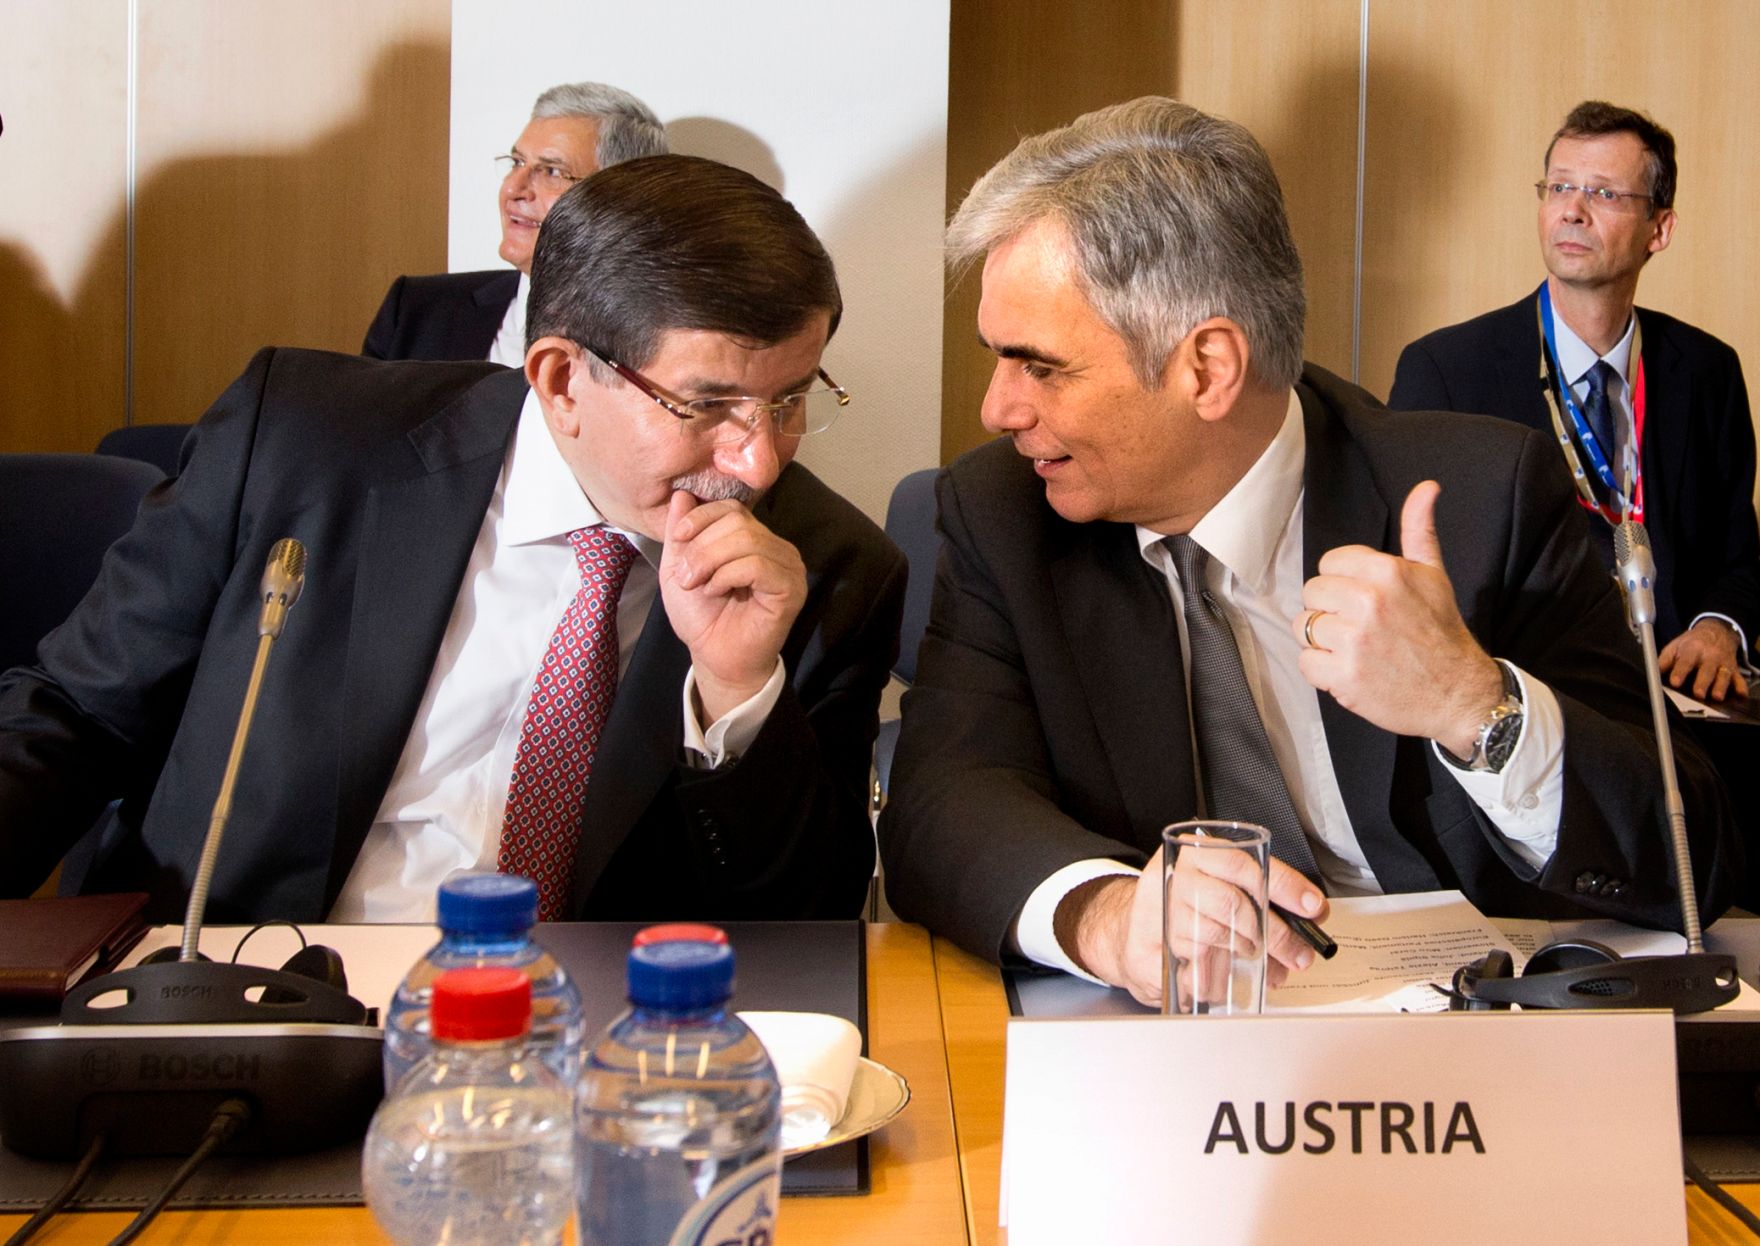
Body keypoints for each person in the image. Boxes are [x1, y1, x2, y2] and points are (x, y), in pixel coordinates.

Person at [876, 97, 1740, 1006]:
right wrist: (1106, 915)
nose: (998, 409)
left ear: (1206, 367)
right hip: (1163, 1057)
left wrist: (1475, 706)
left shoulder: (1482, 504)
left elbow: (1698, 859)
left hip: (1464, 1077)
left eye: (1039, 365)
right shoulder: (1006, 511)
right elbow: (942, 801)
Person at [0, 154, 905, 927]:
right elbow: (77, 715)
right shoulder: (303, 445)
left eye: (790, 400)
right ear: (558, 380)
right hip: (238, 988)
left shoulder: (827, 567)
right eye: (706, 406)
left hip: (581, 1045)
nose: (754, 462)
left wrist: (735, 692)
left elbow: (806, 922)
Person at [1390, 101, 1759, 703]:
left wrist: (1717, 629)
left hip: (1678, 704)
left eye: (1605, 194)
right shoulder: (1446, 371)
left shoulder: (1708, 370)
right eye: (1559, 186)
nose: (1572, 211)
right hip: (1525, 704)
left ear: (1659, 229)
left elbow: (1738, 559)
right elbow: (1418, 573)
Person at [361, 81, 667, 364]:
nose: (513, 189)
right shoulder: (419, 312)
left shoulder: (663, 333)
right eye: (517, 163)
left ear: (620, 196)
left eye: (552, 172)